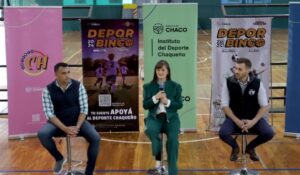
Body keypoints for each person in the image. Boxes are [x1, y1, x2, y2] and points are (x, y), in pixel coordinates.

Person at [38, 62, 100, 175]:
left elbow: (84, 109)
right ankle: (59, 158)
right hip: (57, 123)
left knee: (95, 138)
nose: (67, 75)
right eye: (63, 73)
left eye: (68, 72)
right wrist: (65, 129)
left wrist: (77, 126)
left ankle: (89, 172)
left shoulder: (78, 86)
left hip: (77, 121)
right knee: (42, 134)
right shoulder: (47, 90)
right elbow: (50, 114)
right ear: (56, 74)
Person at [219, 58, 274, 162]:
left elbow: (264, 106)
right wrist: (237, 121)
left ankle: (250, 147)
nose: (236, 71)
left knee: (268, 133)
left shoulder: (257, 83)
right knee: (223, 133)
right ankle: (235, 147)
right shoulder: (228, 82)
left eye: (240, 69)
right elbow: (225, 106)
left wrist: (253, 121)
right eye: (235, 68)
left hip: (253, 118)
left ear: (248, 70)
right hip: (234, 118)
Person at [143, 60, 183, 175]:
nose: (160, 72)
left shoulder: (176, 86)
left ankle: (173, 172)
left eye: (163, 70)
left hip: (171, 119)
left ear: (167, 72)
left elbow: (179, 104)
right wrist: (155, 98)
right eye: (158, 70)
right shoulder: (148, 87)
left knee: (173, 142)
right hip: (155, 118)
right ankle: (158, 155)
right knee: (151, 131)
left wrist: (167, 102)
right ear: (155, 71)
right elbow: (145, 105)